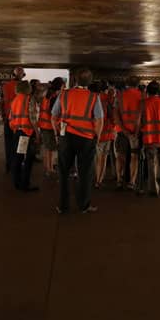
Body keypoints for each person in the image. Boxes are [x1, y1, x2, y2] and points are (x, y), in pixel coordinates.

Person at [53, 68, 104, 214]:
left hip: (66, 137)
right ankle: (84, 205)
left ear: (75, 80)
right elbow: (99, 120)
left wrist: (58, 133)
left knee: (63, 171)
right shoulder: (94, 97)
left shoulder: (64, 95)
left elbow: (53, 116)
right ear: (90, 81)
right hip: (86, 139)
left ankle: (63, 206)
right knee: (85, 172)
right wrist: (97, 136)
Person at [8, 79, 38, 192]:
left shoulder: (15, 100)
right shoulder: (29, 99)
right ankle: (24, 184)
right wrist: (37, 133)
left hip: (17, 131)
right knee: (28, 159)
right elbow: (33, 118)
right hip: (27, 132)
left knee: (18, 157)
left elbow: (10, 117)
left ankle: (16, 182)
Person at [115, 76, 144, 190]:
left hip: (122, 132)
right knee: (134, 157)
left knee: (120, 156)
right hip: (136, 132)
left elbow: (116, 115)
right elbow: (142, 116)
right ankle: (132, 181)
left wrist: (123, 130)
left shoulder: (120, 96)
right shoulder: (142, 96)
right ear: (138, 84)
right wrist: (136, 132)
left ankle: (119, 179)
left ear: (126, 83)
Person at [94, 81, 119, 189]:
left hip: (95, 133)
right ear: (106, 89)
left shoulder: (94, 99)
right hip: (107, 133)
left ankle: (96, 179)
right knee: (103, 158)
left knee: (97, 158)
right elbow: (113, 119)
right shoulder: (109, 100)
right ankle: (100, 180)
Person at [2, 66, 25, 173]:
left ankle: (9, 165)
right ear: (21, 75)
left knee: (9, 143)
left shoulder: (6, 86)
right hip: (20, 120)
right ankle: (17, 165)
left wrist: (4, 115)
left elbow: (3, 102)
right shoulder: (23, 86)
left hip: (8, 118)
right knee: (19, 143)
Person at [38, 77, 63, 178]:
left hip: (44, 125)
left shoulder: (47, 94)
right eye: (63, 85)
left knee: (48, 148)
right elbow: (53, 114)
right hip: (49, 126)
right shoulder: (54, 97)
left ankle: (48, 167)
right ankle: (49, 169)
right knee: (50, 149)